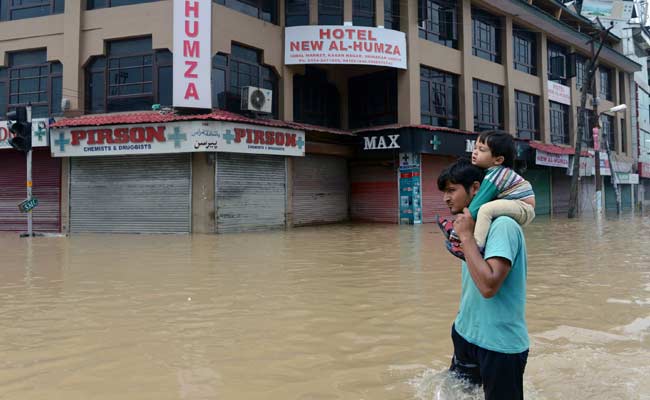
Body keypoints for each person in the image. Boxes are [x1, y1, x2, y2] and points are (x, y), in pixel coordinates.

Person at [437, 158, 529, 400]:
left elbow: (489, 286)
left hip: (499, 346)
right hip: (465, 334)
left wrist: (466, 237)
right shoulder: (474, 225)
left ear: (476, 188)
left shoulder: (503, 226)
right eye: (444, 192)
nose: (446, 198)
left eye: (451, 190)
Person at [436, 130, 536, 260]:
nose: (475, 152)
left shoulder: (496, 176)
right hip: (517, 205)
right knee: (485, 209)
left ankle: (476, 247)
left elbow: (478, 203)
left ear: (498, 160)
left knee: (484, 209)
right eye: (475, 148)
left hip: (523, 206)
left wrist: (460, 231)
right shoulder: (491, 173)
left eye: (482, 150)